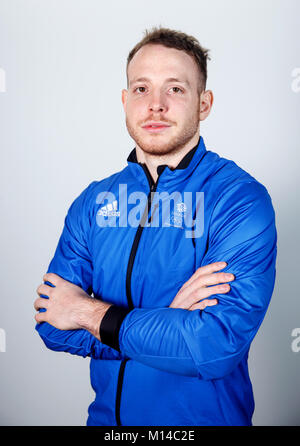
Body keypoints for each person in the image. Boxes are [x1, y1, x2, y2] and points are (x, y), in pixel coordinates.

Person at [34, 27, 277, 426]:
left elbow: (213, 346)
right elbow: (51, 323)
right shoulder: (93, 202)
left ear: (204, 103)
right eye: (142, 88)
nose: (156, 105)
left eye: (176, 89)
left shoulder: (239, 199)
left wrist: (85, 312)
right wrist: (167, 322)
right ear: (125, 101)